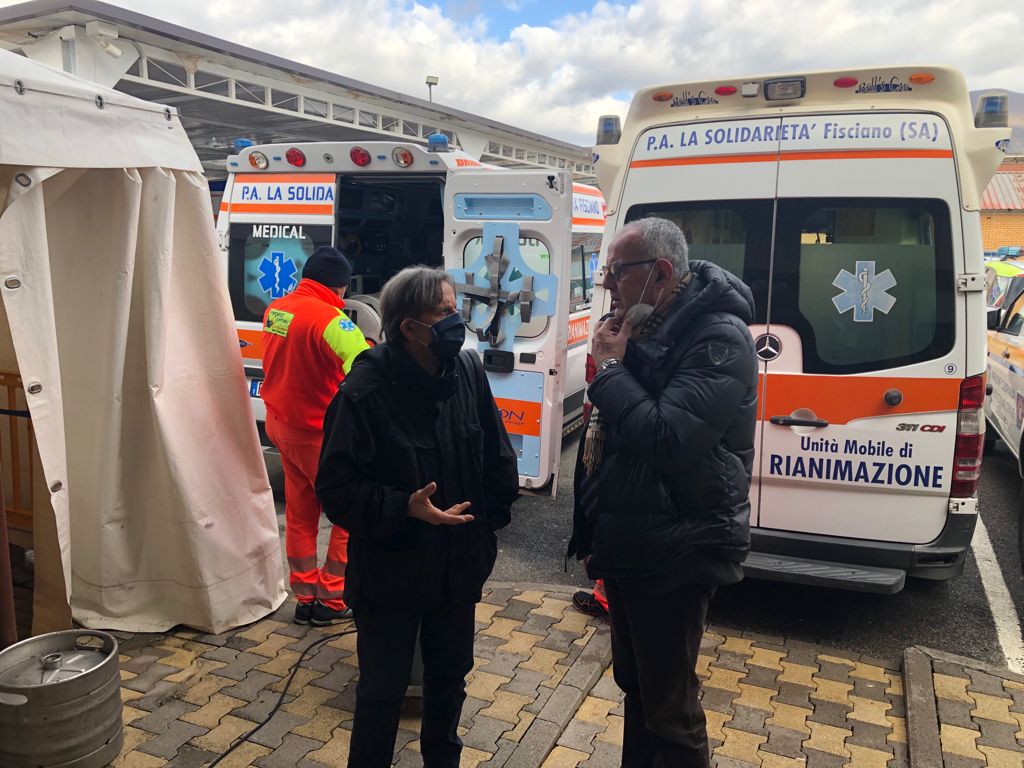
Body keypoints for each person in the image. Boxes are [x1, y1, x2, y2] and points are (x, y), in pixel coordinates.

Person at [570, 217, 757, 768]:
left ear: (662, 273)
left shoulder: (718, 337)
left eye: (617, 272)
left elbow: (668, 439)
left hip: (679, 545)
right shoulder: (648, 324)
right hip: (637, 539)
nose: (607, 284)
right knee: (637, 687)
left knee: (670, 709)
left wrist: (609, 368)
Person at [316, 265, 519, 768]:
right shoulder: (364, 391)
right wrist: (402, 507)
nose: (456, 320)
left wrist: (484, 535)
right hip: (392, 576)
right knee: (382, 693)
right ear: (410, 327)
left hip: (456, 571)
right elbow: (336, 491)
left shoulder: (467, 373)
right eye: (444, 312)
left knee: (449, 683)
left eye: (455, 308)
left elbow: (497, 460)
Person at [261, 246, 369, 626]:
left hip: (281, 427)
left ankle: (305, 596)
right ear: (340, 288)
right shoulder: (331, 320)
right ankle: (333, 599)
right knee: (349, 511)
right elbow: (365, 366)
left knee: (301, 513)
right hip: (317, 434)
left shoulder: (276, 310)